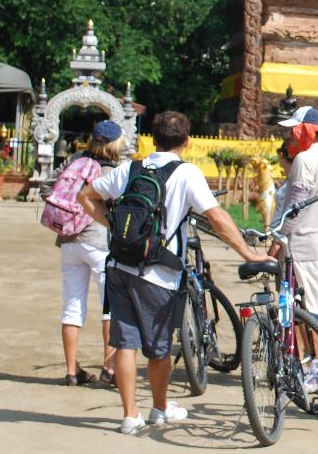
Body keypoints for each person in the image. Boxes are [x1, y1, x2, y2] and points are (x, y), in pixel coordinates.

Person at [78, 111, 273, 435]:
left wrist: (114, 226)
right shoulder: (186, 174)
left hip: (120, 266)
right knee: (158, 347)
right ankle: (159, 407)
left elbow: (85, 196)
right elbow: (218, 219)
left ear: (152, 139)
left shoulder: (131, 168)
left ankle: (129, 416)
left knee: (125, 344)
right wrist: (248, 253)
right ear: (186, 141)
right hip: (159, 275)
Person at [273, 105, 318, 393]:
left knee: (304, 310)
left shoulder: (304, 159)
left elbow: (294, 207)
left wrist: (276, 239)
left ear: (305, 131)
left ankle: (317, 368)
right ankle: (316, 366)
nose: (289, 136)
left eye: (292, 131)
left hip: (303, 244)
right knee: (317, 310)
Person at [57, 120, 123, 387]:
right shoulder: (113, 171)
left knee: (72, 306)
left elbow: (48, 189)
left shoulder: (73, 161)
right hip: (100, 242)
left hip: (69, 240)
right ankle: (109, 367)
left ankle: (72, 371)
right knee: (109, 307)